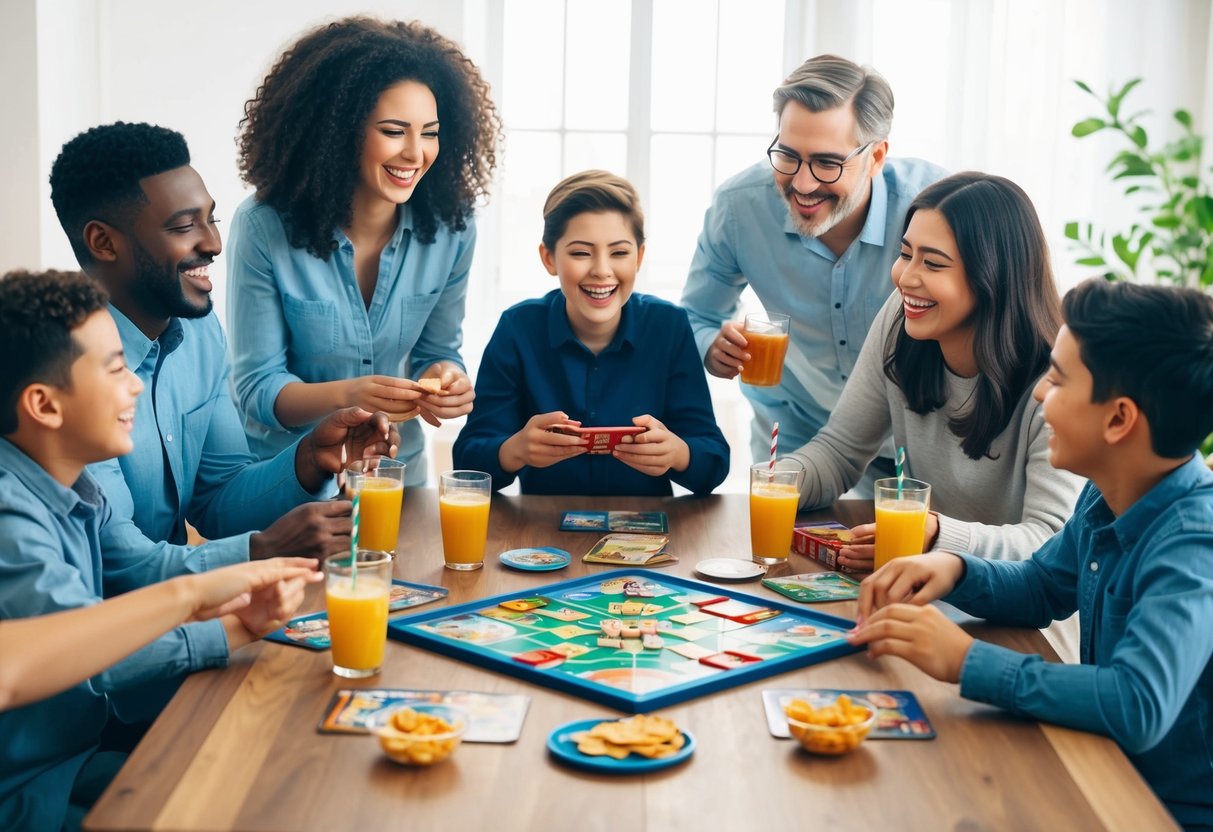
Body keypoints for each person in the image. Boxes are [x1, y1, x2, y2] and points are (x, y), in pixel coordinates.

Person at [848, 279, 1213, 828]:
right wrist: (953, 568)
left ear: (1119, 420)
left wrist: (966, 660)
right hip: (1102, 768)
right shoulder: (1108, 490)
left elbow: (1137, 703)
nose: (1039, 393)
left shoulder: (1193, 542)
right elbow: (1044, 586)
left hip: (1161, 810)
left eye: (1059, 379)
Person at [0, 270, 315, 831]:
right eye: (116, 369)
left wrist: (236, 625)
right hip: (27, 794)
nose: (137, 386)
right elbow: (81, 646)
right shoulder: (12, 517)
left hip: (73, 762)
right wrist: (198, 600)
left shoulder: (75, 489)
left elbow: (97, 637)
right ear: (45, 406)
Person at [48, 122, 400, 581]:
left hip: (182, 618)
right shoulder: (59, 369)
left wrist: (310, 458)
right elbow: (116, 561)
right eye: (183, 226)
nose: (213, 244)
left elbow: (218, 500)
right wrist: (260, 551)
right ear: (103, 242)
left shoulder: (200, 333)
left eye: (210, 219)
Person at [228, 16, 503, 486]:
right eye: (394, 131)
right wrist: (352, 394)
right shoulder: (263, 226)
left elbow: (437, 351)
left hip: (396, 476)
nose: (416, 153)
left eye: (431, 133)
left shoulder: (452, 230)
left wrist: (445, 377)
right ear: (338, 133)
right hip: (285, 478)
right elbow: (257, 389)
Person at [784, 173, 1083, 568]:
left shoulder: (1058, 381)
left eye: (934, 264)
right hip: (930, 593)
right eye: (905, 254)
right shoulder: (903, 317)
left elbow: (1050, 543)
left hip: (1024, 622)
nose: (906, 278)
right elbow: (840, 450)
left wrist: (935, 534)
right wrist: (777, 479)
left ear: (993, 278)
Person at [681, 54, 946, 484]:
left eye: (827, 163)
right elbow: (695, 317)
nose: (802, 184)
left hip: (917, 434)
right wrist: (712, 345)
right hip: (796, 431)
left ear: (876, 156)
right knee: (784, 549)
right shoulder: (739, 208)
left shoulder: (935, 208)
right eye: (787, 155)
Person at [452, 170, 729, 495]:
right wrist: (515, 450)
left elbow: (714, 461)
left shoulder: (669, 326)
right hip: (542, 536)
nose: (601, 269)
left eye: (619, 252)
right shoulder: (518, 328)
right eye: (581, 253)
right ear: (549, 258)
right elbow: (468, 463)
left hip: (648, 538)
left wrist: (678, 454)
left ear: (639, 257)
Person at [0, 557, 322, 713]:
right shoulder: (16, 520)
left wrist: (207, 611)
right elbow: (76, 661)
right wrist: (192, 598)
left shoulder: (81, 496)